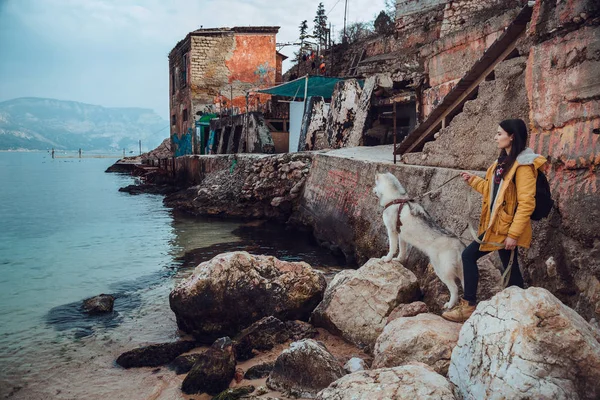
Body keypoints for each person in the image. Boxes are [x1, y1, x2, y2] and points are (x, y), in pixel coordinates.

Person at [441, 119, 547, 323]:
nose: (495, 137)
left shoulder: (523, 166)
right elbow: (493, 192)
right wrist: (472, 180)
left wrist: (513, 234)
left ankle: (468, 305)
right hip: (496, 225)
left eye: (499, 134)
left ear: (512, 136)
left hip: (505, 228)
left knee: (469, 255)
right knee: (511, 270)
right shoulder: (501, 163)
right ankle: (520, 309)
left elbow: (526, 203)